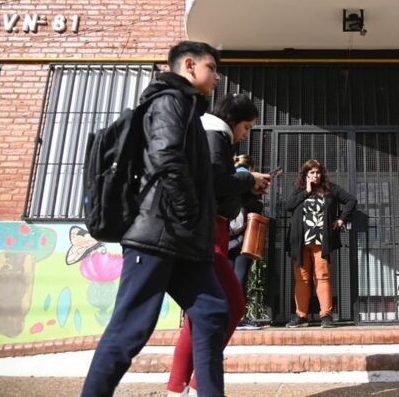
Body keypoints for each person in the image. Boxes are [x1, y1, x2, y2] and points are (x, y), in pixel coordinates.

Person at [81, 41, 228, 397]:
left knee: (211, 313)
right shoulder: (169, 101)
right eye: (212, 68)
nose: (217, 78)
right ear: (189, 65)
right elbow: (165, 157)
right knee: (130, 329)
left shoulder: (187, 107)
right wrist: (190, 210)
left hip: (181, 239)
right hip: (156, 237)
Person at [167, 94, 271, 395]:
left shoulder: (213, 136)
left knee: (201, 313)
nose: (246, 134)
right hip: (208, 235)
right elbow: (214, 183)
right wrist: (246, 178)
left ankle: (178, 386)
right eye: (247, 127)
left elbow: (219, 188)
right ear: (234, 120)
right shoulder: (214, 136)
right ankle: (198, 383)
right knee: (233, 306)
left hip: (213, 233)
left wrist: (249, 186)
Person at [284, 159, 357, 328]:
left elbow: (351, 200)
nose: (315, 175)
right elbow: (288, 206)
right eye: (311, 173)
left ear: (321, 174)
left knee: (322, 277)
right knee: (301, 278)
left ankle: (326, 315)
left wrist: (341, 220)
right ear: (306, 175)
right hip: (300, 242)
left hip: (321, 242)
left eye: (317, 172)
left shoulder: (330, 189)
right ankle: (301, 316)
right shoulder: (299, 190)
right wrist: (307, 191)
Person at [230, 154, 265, 330]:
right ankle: (238, 317)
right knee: (239, 278)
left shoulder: (229, 178)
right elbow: (255, 207)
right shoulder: (246, 180)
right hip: (241, 237)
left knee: (224, 278)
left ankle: (227, 316)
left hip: (224, 235)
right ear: (251, 168)